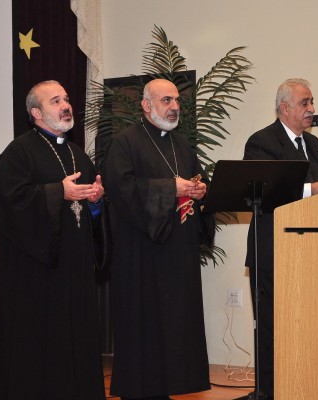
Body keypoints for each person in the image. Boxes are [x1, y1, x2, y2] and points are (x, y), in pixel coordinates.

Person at [0, 80, 106, 400]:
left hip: (76, 270)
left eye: (66, 99)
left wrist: (96, 202)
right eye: (55, 101)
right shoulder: (19, 152)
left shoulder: (79, 155)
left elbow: (92, 217)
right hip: (37, 273)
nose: (66, 105)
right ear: (36, 113)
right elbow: (7, 201)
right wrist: (57, 192)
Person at [102, 78, 211, 400]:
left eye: (177, 100)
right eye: (166, 100)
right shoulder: (124, 143)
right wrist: (169, 188)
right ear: (146, 105)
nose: (175, 107)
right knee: (144, 325)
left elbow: (198, 179)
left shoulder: (182, 145)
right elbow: (120, 190)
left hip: (179, 252)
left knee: (176, 326)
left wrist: (201, 191)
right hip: (141, 254)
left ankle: (172, 385)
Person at [243, 78, 318, 399]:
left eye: (312, 102)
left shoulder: (315, 144)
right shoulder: (261, 142)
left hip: (312, 250)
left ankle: (304, 385)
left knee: (307, 325)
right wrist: (312, 190)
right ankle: (270, 391)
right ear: (284, 108)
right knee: (273, 327)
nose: (312, 109)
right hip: (273, 251)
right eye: (305, 103)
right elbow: (264, 192)